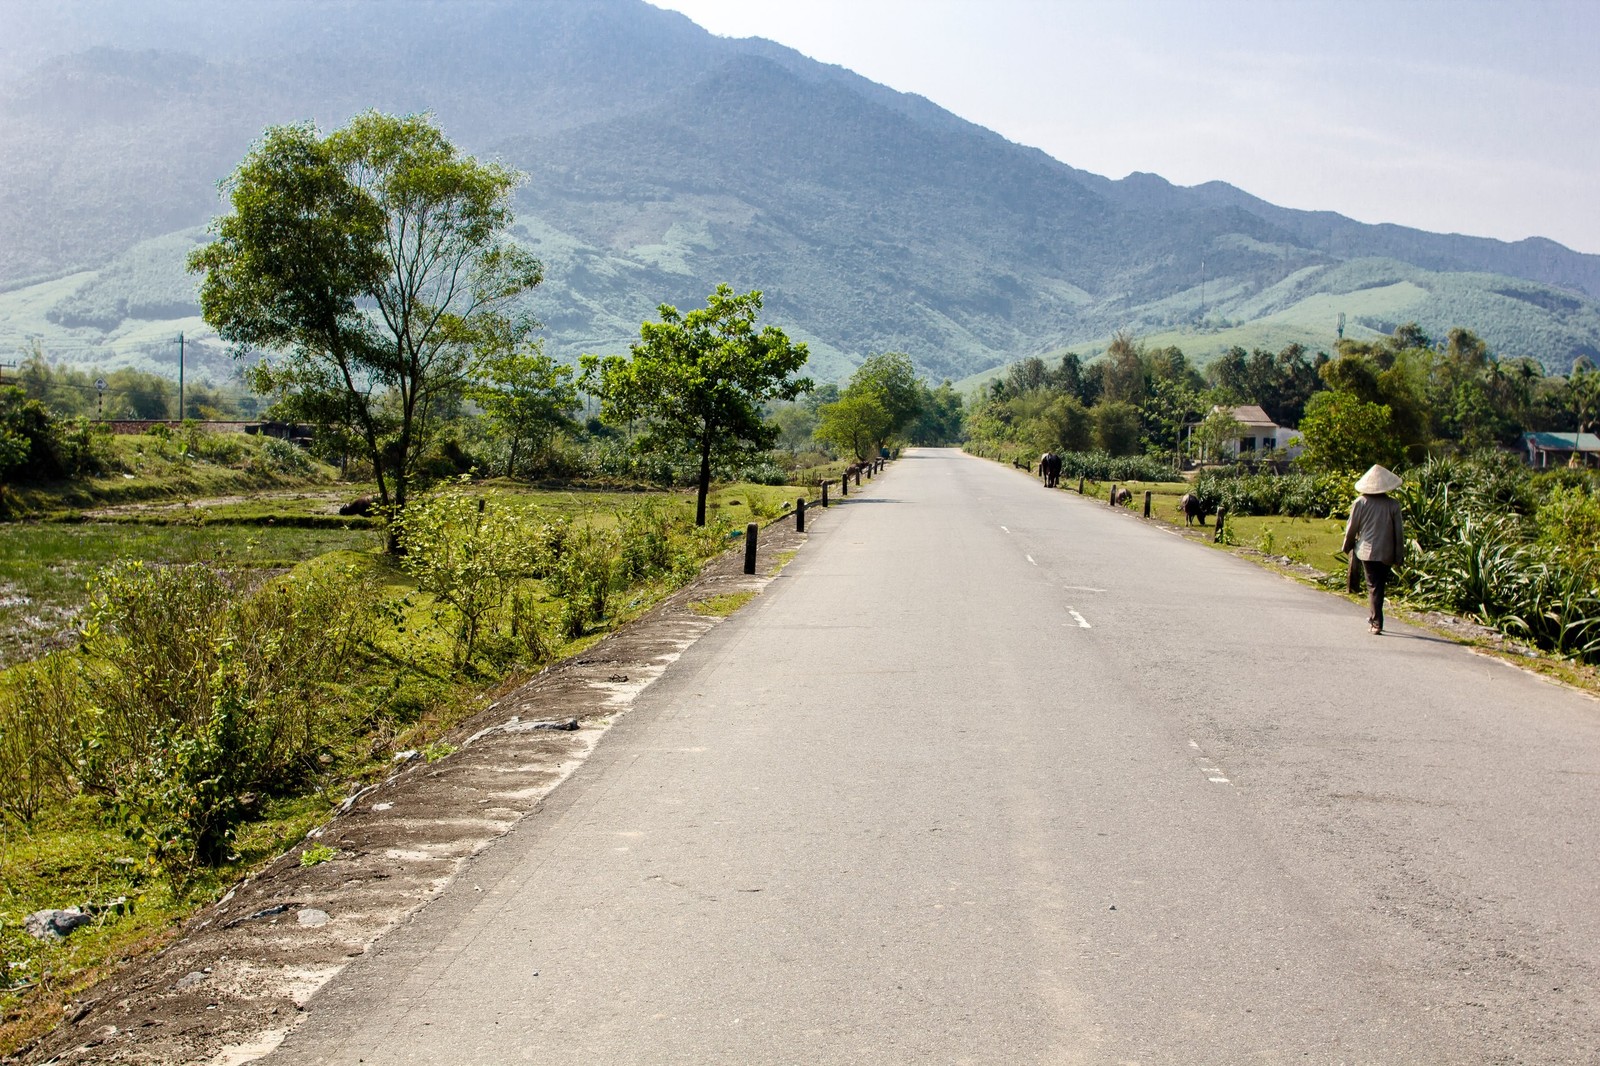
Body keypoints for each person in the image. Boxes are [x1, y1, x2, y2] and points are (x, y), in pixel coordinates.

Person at [1342, 464, 1405, 635]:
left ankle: (1376, 622)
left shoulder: (1360, 503)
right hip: (1387, 552)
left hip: (1367, 551)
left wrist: (1346, 546)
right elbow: (1399, 534)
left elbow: (1351, 528)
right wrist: (1399, 556)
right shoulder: (1393, 505)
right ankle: (1375, 618)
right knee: (1379, 585)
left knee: (1373, 585)